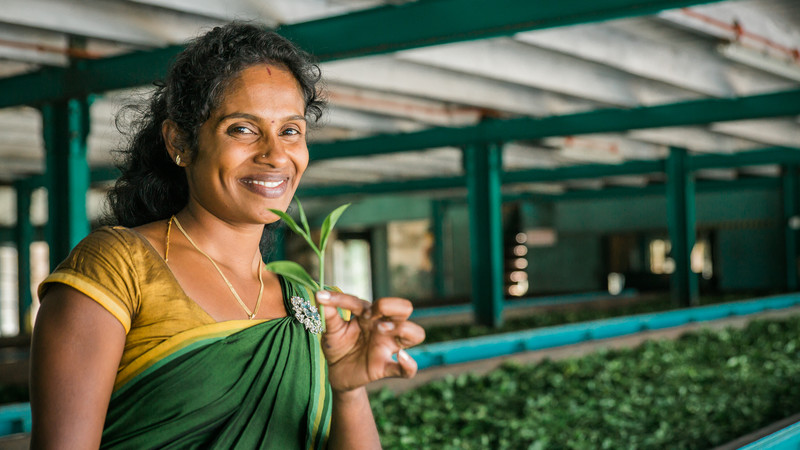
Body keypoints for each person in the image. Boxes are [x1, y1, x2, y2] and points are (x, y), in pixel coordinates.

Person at [29, 22, 425, 449]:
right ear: (179, 140)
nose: (275, 155)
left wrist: (347, 390)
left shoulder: (307, 302)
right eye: (243, 128)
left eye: (290, 130)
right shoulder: (118, 268)